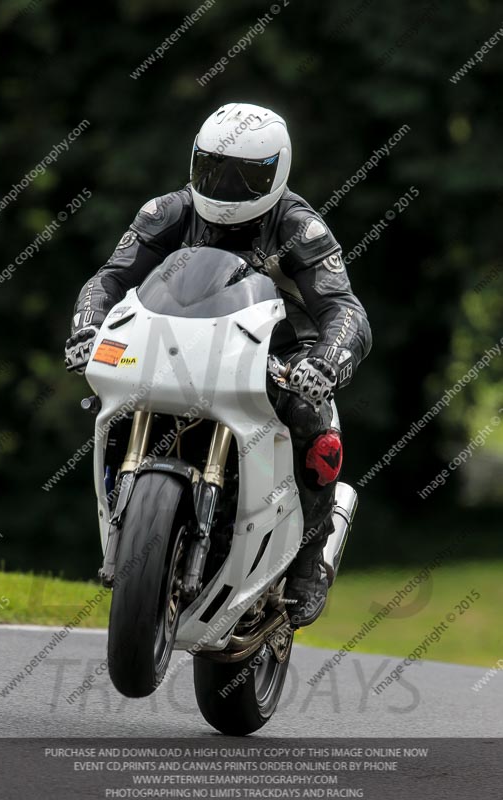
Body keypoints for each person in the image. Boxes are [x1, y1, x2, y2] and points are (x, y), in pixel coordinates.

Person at [65, 102, 372, 626]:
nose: (226, 187)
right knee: (105, 395)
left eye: (245, 176)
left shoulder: (302, 228)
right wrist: (88, 325)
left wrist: (325, 362)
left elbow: (345, 310)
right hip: (174, 342)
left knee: (313, 424)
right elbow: (109, 279)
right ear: (194, 162)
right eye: (214, 169)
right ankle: (132, 513)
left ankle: (312, 552)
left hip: (276, 353)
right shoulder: (166, 212)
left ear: (277, 172)